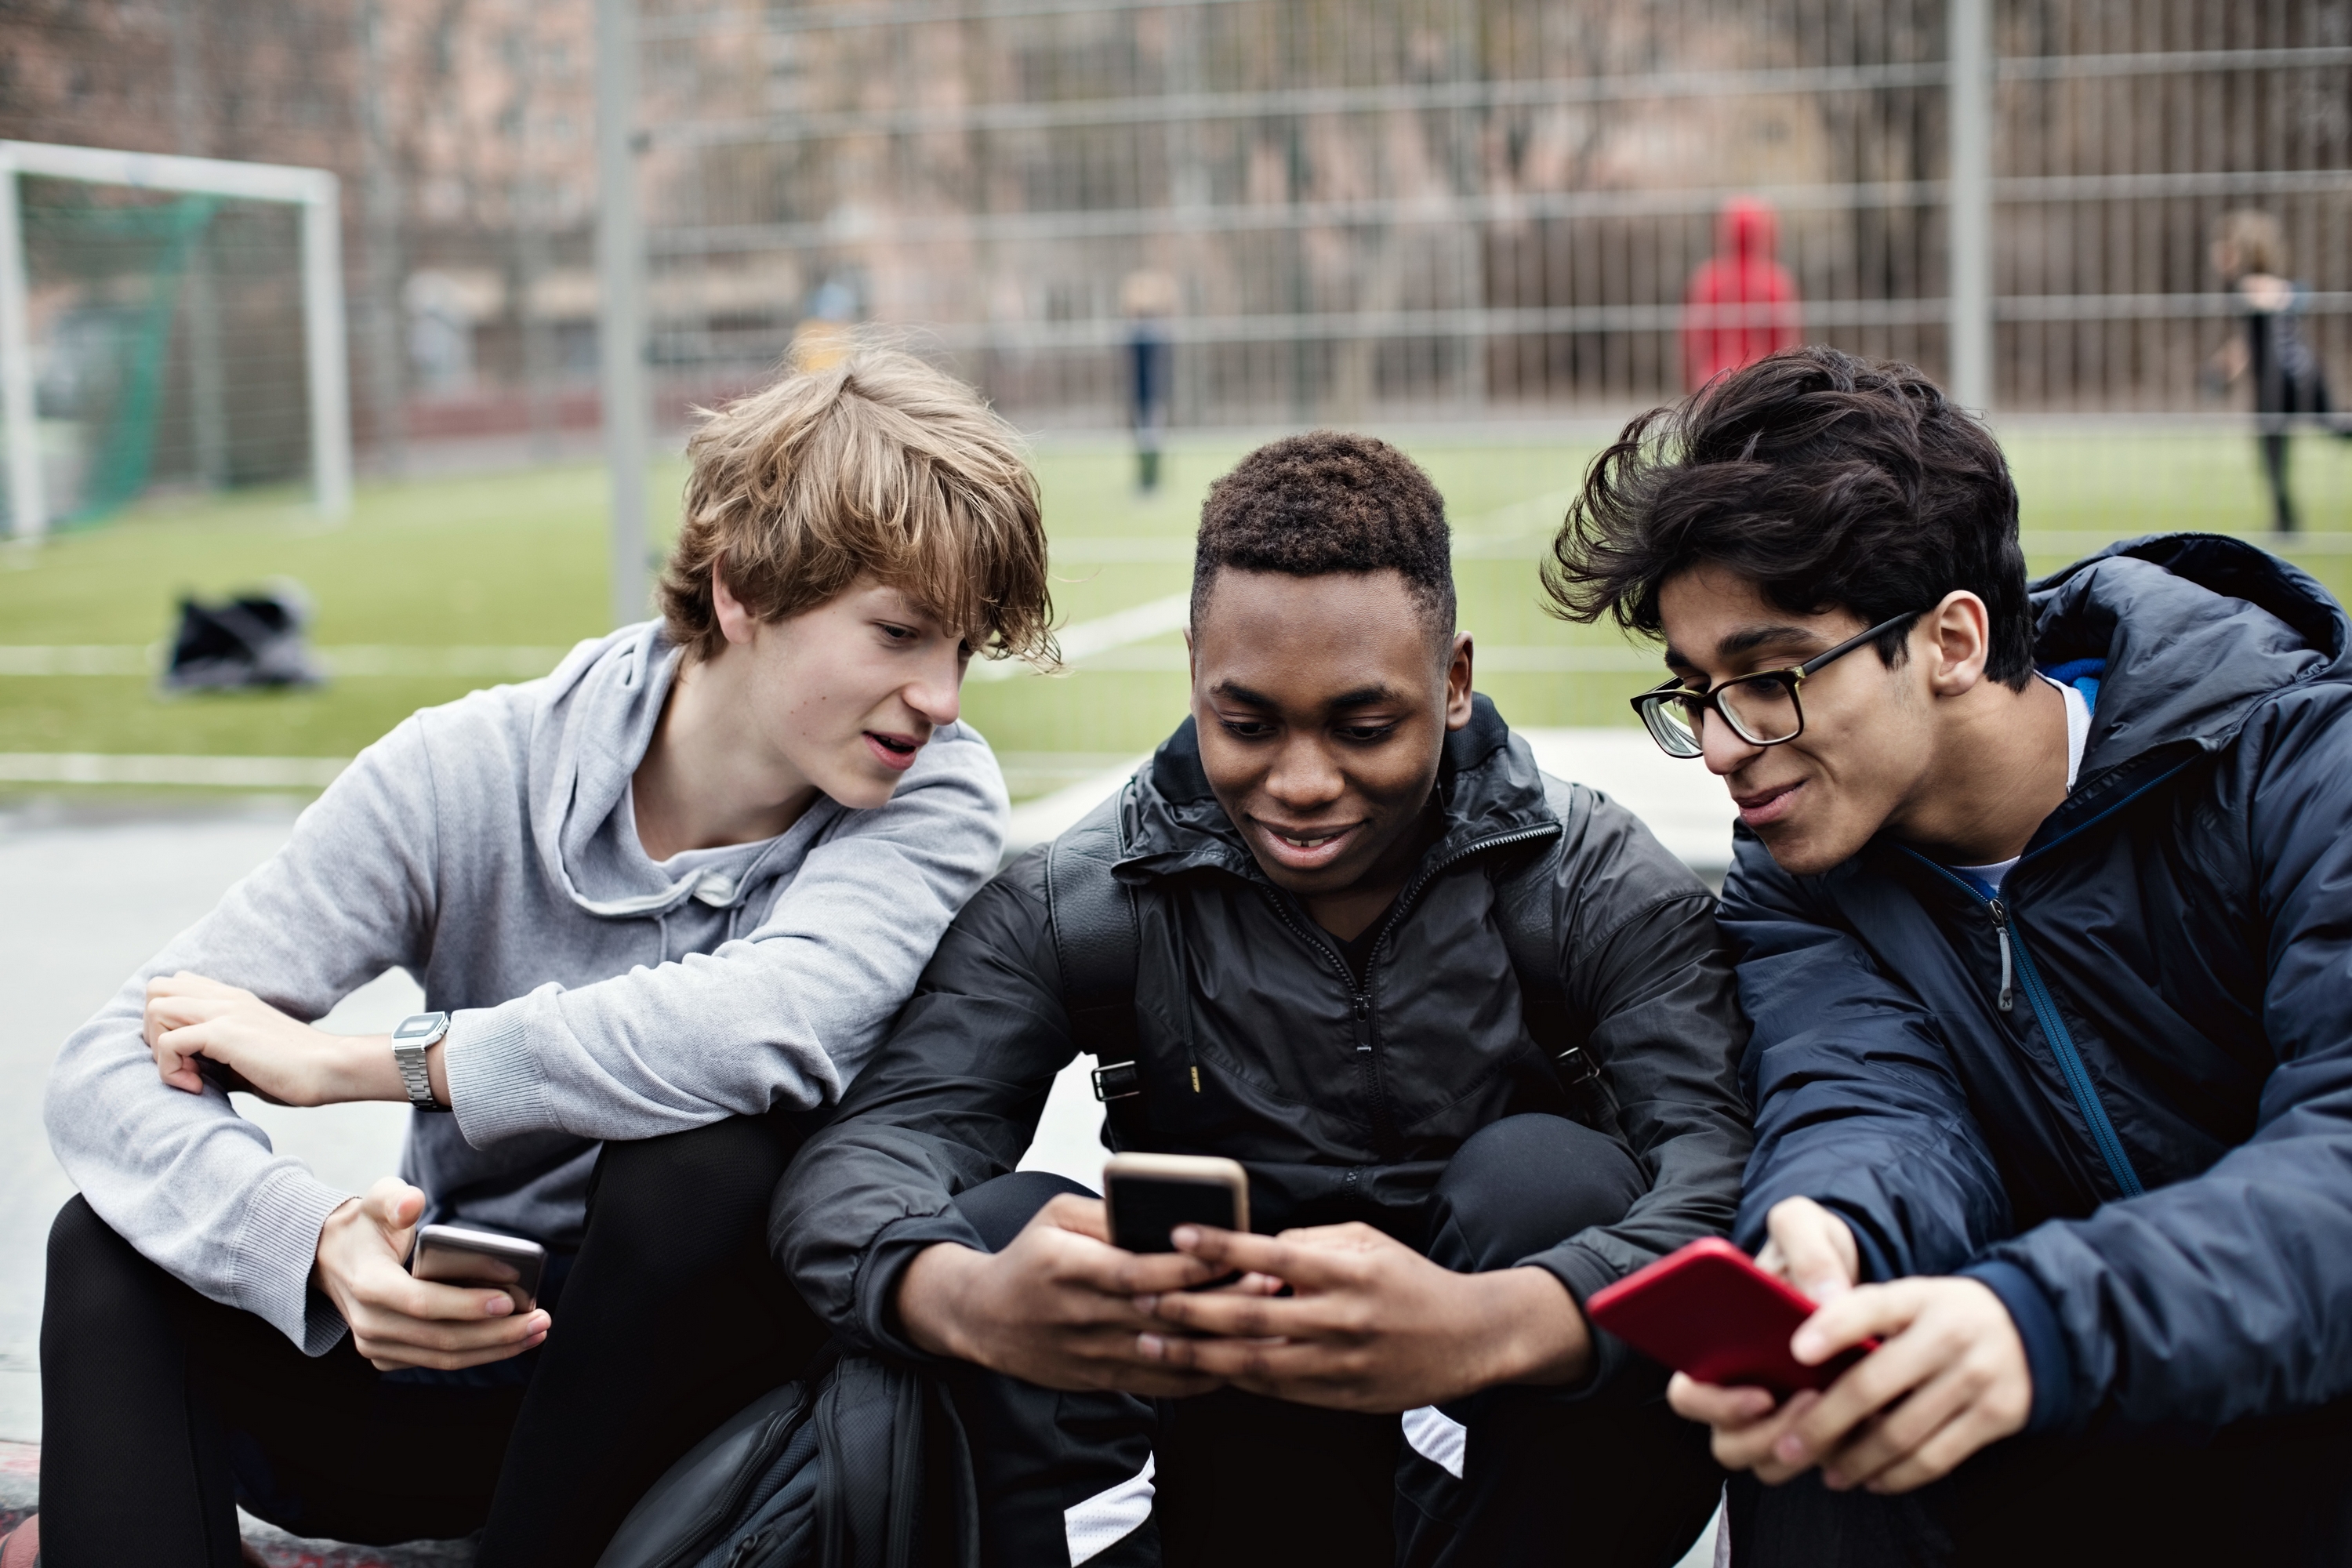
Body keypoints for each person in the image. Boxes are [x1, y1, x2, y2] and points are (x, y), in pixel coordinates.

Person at [34, 346, 1053, 1568]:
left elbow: (760, 1024)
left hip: (707, 1433)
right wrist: (313, 1243)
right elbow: (106, 1066)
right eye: (898, 634)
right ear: (741, 588)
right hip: (448, 1362)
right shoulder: (470, 769)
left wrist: (372, 1065)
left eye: (963, 650)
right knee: (107, 1247)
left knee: (707, 1158)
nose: (941, 696)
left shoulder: (934, 797)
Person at [769, 431, 1751, 1568]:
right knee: (997, 1233)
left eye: (1363, 726)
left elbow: (1727, 1176)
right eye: (1247, 723)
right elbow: (870, 1154)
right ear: (1196, 671)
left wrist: (1498, 1322)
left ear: (1457, 681)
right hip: (1233, 1459)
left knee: (1548, 1181)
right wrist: (962, 1298)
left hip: (1522, 1454)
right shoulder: (1085, 902)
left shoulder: (1588, 881)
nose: (1300, 782)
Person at [1541, 343, 2352, 1566]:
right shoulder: (1801, 873)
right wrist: (1831, 1230)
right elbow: (1871, 1101)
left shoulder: (2297, 765)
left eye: (1769, 678)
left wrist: (2038, 1324)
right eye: (1696, 690)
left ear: (1954, 641)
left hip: (2294, 1409)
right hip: (2062, 1422)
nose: (1720, 745)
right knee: (1821, 1436)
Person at [2203, 208, 2344, 534]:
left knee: (2280, 446)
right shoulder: (2249, 289)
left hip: (2287, 379)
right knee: (2277, 448)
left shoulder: (2252, 286)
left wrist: (2290, 297)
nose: (2216, 254)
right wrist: (2221, 371)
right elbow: (2249, 344)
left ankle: (2286, 521)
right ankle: (2285, 521)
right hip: (2301, 375)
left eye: (2223, 246)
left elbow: (2288, 299)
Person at [1682, 196, 1800, 394]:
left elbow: (1693, 343)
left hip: (1714, 383)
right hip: (1765, 383)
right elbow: (1788, 345)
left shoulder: (1707, 281)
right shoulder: (1776, 282)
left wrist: (1689, 387)